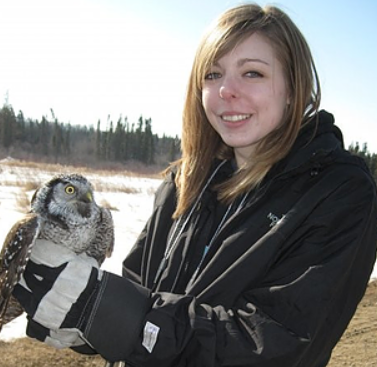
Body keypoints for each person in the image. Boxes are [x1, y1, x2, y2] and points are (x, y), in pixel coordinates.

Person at [13, 3, 377, 367]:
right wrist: (88, 322)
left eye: (252, 73)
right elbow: (141, 287)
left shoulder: (337, 191)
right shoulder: (186, 178)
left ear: (293, 88)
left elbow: (276, 344)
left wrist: (108, 311)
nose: (226, 91)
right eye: (213, 74)